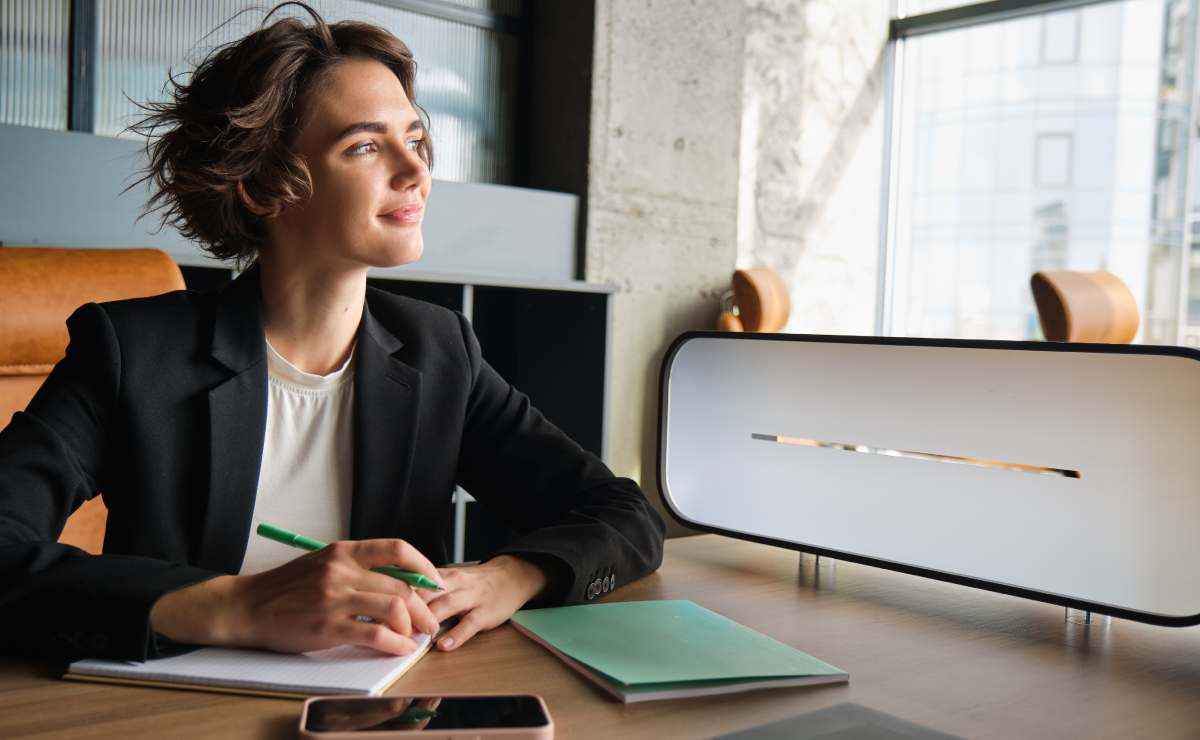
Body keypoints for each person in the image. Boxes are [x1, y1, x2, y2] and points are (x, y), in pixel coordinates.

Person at [0, 2, 664, 662]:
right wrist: (235, 605)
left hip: (381, 710)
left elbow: (622, 514)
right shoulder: (132, 352)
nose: (416, 173)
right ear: (264, 186)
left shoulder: (440, 352)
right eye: (367, 146)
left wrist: (508, 577)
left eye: (416, 139)